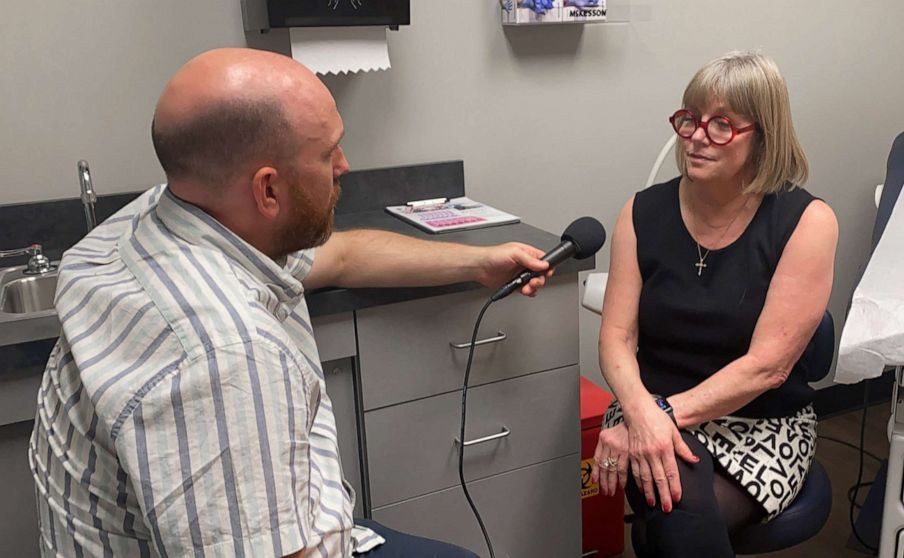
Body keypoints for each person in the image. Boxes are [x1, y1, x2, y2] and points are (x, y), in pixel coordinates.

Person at [29, 48, 553, 557]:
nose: (345, 166)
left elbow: (341, 257)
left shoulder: (164, 218)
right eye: (329, 153)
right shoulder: (224, 356)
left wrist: (477, 262)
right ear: (268, 191)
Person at [591, 51, 838, 557]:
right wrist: (643, 412)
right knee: (674, 489)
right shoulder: (641, 212)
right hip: (645, 406)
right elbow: (617, 338)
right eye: (690, 119)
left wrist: (661, 415)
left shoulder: (807, 222)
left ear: (763, 134)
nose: (697, 136)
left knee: (672, 509)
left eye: (722, 124)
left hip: (761, 424)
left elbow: (766, 369)